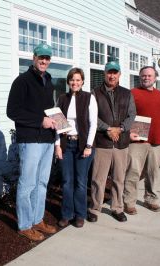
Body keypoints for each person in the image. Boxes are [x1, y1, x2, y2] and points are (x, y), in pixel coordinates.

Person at [6, 43, 57, 241]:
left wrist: (57, 122)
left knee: (41, 182)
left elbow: (48, 109)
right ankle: (25, 225)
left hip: (47, 140)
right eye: (40, 57)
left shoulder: (49, 80)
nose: (44, 61)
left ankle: (37, 219)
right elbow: (13, 111)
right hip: (30, 140)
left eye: (47, 58)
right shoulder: (22, 81)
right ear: (33, 58)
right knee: (27, 183)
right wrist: (40, 121)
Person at [88, 61, 136, 223]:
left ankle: (117, 208)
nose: (112, 75)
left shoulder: (127, 93)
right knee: (98, 179)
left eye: (115, 72)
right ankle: (95, 208)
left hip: (121, 143)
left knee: (119, 178)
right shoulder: (94, 93)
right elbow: (93, 117)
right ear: (104, 74)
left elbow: (132, 115)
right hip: (102, 142)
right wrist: (108, 129)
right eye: (109, 72)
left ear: (119, 74)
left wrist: (120, 129)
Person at [123, 66, 160, 215]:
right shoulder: (133, 93)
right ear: (140, 77)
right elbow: (124, 115)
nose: (146, 78)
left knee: (153, 173)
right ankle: (129, 202)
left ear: (155, 77)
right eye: (144, 76)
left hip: (157, 142)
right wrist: (129, 132)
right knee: (133, 173)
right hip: (138, 140)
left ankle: (151, 199)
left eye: (149, 76)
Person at [55, 68, 98, 228]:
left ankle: (80, 214)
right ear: (68, 82)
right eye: (72, 80)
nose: (75, 82)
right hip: (66, 144)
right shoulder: (61, 99)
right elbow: (57, 124)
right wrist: (57, 145)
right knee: (67, 182)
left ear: (82, 82)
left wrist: (88, 145)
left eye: (78, 80)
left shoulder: (89, 98)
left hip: (83, 145)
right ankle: (67, 214)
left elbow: (93, 123)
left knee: (80, 182)